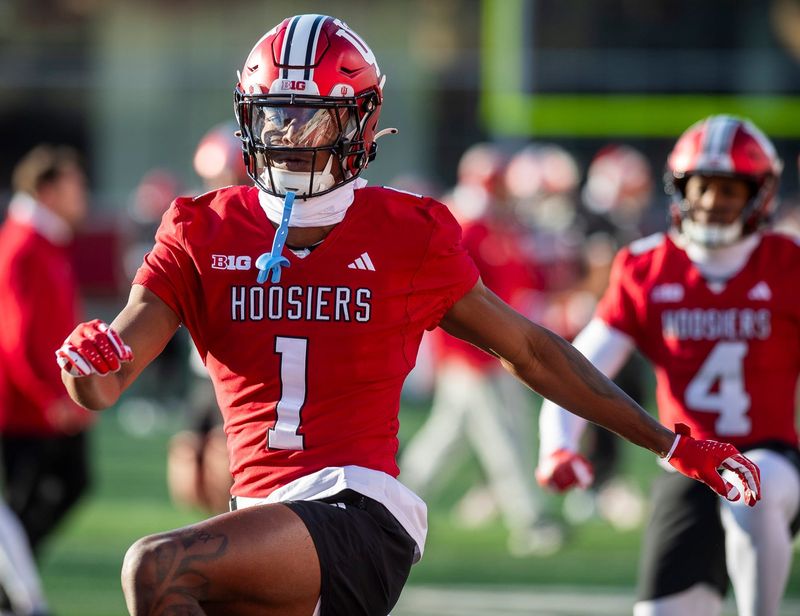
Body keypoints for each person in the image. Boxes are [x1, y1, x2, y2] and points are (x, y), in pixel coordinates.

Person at [55, 17, 760, 616]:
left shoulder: (405, 231)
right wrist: (88, 361)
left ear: (359, 119)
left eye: (310, 115)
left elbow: (533, 352)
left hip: (360, 512)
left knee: (156, 567)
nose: (288, 133)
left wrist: (670, 445)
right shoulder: (198, 229)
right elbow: (107, 381)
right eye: (274, 112)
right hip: (263, 518)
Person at [536, 115, 798, 616]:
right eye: (702, 187)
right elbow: (579, 368)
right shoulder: (647, 266)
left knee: (753, 493)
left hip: (772, 459)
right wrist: (559, 445)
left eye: (729, 189)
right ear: (680, 188)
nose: (712, 202)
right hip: (687, 465)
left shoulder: (788, 262)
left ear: (758, 194)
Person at [400, 143, 561, 556]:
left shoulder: (495, 228)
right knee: (502, 440)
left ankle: (390, 502)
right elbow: (451, 300)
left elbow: (524, 282)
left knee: (446, 442)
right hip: (472, 356)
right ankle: (531, 520)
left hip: (492, 353)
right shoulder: (467, 227)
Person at [0, 145, 95, 558]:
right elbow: (15, 339)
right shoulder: (22, 246)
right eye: (75, 185)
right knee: (26, 502)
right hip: (27, 409)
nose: (84, 195)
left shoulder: (48, 243)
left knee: (69, 485)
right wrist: (50, 398)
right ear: (48, 191)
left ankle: (13, 589)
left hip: (54, 405)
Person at [165, 121, 246, 515]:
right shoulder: (199, 222)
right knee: (185, 473)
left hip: (239, 366)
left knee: (221, 466)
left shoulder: (258, 226)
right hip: (202, 367)